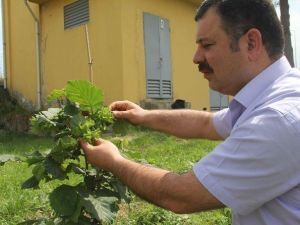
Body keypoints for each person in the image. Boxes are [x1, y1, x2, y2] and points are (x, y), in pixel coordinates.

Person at [80, 0, 300, 224]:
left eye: (207, 45)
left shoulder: (277, 119)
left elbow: (180, 195)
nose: (196, 57)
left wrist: (114, 161)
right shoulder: (273, 95)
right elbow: (206, 123)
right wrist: (144, 116)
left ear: (251, 43)